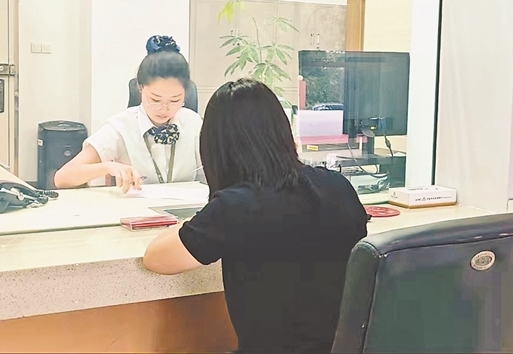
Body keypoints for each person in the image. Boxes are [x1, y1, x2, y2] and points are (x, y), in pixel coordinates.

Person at [143, 78, 368, 354]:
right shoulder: (338, 187)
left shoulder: (236, 207)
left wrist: (189, 223)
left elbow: (156, 258)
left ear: (216, 146)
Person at [54, 35, 203, 193]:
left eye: (175, 100)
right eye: (155, 99)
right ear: (140, 88)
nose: (164, 108)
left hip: (187, 207)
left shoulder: (193, 123)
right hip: (136, 207)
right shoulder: (121, 126)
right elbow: (62, 178)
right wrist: (107, 167)